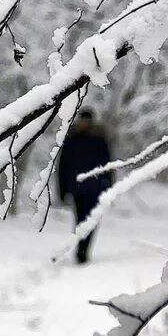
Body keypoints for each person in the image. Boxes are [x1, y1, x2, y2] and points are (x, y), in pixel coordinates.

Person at [57, 108, 113, 264]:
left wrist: (109, 187)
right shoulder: (72, 139)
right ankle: (81, 250)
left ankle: (83, 250)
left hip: (94, 188)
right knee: (81, 220)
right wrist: (62, 190)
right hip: (78, 188)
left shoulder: (98, 139)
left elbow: (107, 165)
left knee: (90, 220)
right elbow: (63, 166)